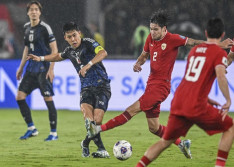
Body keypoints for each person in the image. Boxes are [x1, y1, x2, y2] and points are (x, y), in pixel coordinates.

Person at [86, 10, 234, 159]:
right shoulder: (150, 38)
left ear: (164, 29)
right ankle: (182, 144)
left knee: (130, 110)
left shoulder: (173, 39)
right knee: (154, 127)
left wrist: (219, 45)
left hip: (161, 88)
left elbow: (194, 42)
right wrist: (138, 63)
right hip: (151, 84)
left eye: (156, 29)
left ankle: (98, 129)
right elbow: (144, 55)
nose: (152, 31)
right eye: (151, 28)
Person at [135, 17, 234, 167]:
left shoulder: (194, 52)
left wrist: (206, 98)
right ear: (222, 34)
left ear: (206, 32)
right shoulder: (218, 53)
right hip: (196, 106)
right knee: (230, 127)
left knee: (165, 142)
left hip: (179, 102)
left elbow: (191, 81)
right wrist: (227, 100)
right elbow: (221, 75)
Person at [28, 21, 111, 158]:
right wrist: (41, 58)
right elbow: (57, 56)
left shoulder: (89, 43)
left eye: (74, 35)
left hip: (102, 86)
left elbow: (103, 53)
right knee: (89, 121)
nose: (73, 39)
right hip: (86, 89)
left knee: (98, 121)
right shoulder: (69, 51)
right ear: (65, 38)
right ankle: (101, 149)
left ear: (79, 34)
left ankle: (85, 143)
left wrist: (88, 65)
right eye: (69, 37)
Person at [16, 1, 58, 141]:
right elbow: (27, 49)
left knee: (47, 98)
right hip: (30, 69)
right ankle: (31, 128)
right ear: (28, 12)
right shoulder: (27, 27)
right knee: (20, 96)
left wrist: (51, 69)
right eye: (31, 10)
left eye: (36, 10)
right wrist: (21, 67)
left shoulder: (45, 28)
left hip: (43, 69)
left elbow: (55, 50)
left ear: (40, 12)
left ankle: (53, 133)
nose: (34, 12)